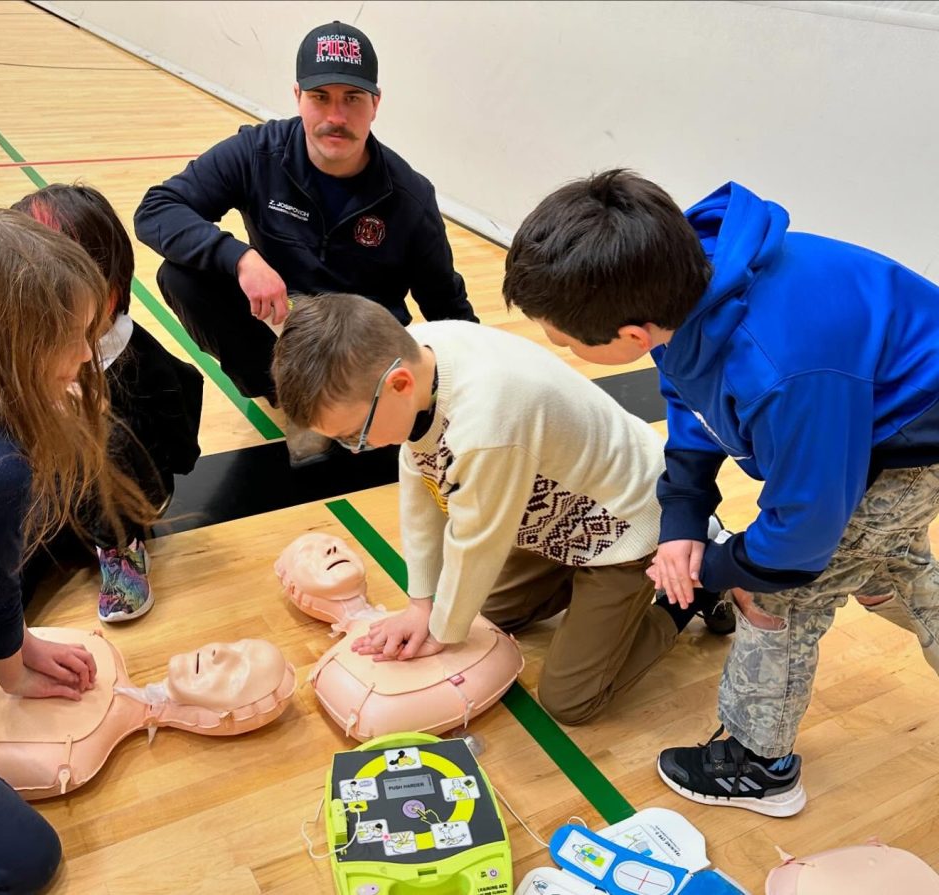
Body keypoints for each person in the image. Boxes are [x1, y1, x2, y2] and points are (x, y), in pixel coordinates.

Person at [502, 169, 939, 816]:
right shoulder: (682, 278)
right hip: (862, 412)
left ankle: (760, 764)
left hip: (905, 438)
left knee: (775, 595)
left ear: (629, 336)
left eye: (562, 338)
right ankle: (866, 574)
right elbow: (691, 392)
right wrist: (683, 517)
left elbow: (802, 525)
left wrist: (721, 566)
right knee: (888, 563)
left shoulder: (778, 363)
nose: (557, 345)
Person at [271, 294, 728, 725]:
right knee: (484, 614)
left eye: (355, 434)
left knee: (572, 699)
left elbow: (477, 541)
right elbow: (420, 481)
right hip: (552, 512)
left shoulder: (486, 424)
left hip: (624, 526)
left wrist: (440, 631)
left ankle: (694, 590)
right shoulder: (418, 352)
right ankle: (585, 594)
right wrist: (421, 603)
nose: (355, 450)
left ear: (399, 384)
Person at [0, 209, 156, 892]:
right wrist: (13, 669)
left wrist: (11, 645)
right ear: (18, 344)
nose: (87, 354)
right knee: (22, 861)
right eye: (74, 337)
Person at [134, 20, 477, 464]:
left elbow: (444, 299)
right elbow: (157, 208)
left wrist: (479, 381)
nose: (336, 117)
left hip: (360, 342)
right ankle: (292, 398)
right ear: (298, 97)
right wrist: (241, 259)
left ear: (375, 103)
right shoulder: (257, 153)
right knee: (182, 276)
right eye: (321, 97)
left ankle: (348, 404)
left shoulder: (410, 195)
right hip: (281, 324)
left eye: (352, 99)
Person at [13, 183, 203, 622]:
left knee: (98, 434)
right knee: (17, 544)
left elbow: (178, 443)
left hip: (123, 496)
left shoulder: (138, 360)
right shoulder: (26, 350)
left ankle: (121, 553)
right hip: (50, 491)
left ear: (111, 288)